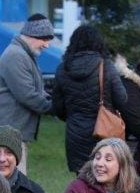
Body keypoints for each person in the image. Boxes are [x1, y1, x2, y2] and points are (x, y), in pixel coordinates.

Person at [53, 24, 132, 173]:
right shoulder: (106, 66)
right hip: (104, 133)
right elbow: (122, 99)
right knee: (106, 179)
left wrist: (74, 116)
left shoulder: (62, 69)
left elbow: (57, 107)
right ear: (98, 43)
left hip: (75, 133)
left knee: (82, 180)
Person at [0, 13, 55, 173]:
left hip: (10, 128)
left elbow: (37, 90)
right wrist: (55, 108)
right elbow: (27, 95)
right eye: (45, 39)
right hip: (5, 132)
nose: (47, 45)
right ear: (32, 35)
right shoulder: (16, 55)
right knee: (7, 183)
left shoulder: (24, 54)